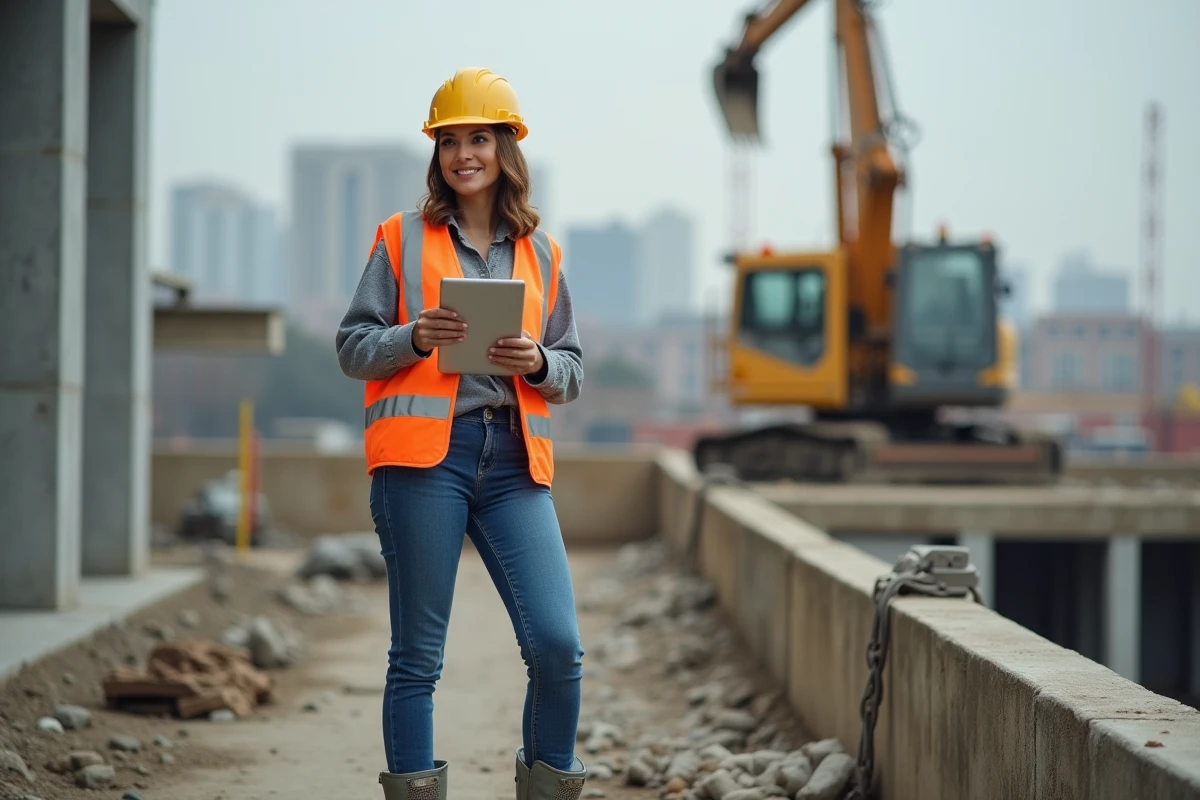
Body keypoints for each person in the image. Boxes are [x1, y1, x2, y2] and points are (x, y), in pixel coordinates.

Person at [335, 67, 588, 800]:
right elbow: (354, 347)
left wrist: (538, 360)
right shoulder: (399, 238)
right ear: (436, 153)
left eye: (480, 137)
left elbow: (572, 369)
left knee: (558, 646)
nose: (463, 153)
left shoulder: (542, 254)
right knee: (417, 656)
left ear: (507, 148)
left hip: (513, 465)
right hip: (423, 465)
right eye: (450, 140)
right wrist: (414, 336)